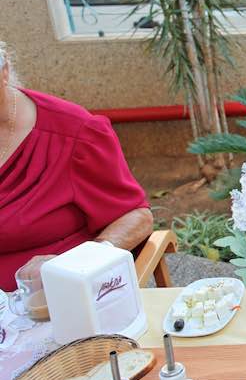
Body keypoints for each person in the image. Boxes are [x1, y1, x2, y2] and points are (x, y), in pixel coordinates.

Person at [0, 41, 153, 290]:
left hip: (50, 302)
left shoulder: (74, 133)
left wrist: (78, 263)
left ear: (4, 70)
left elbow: (137, 217)